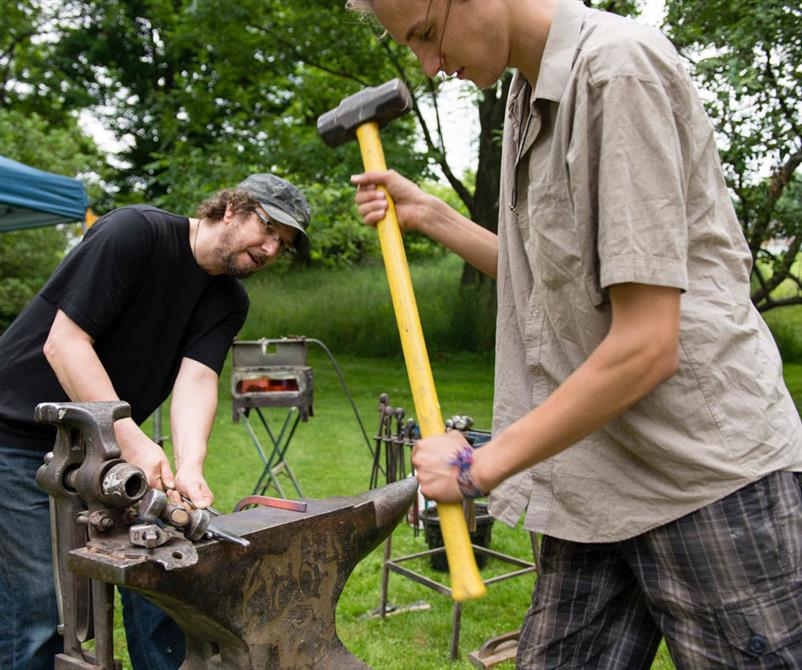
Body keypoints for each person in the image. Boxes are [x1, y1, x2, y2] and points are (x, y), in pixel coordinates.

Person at [347, 1, 802, 667]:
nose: (430, 65)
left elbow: (646, 343)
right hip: (594, 480)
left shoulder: (617, 72)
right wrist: (434, 217)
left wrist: (477, 467)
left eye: (425, 35)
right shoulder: (528, 94)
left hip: (701, 479)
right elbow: (554, 285)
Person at [0, 173, 311, 670]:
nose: (273, 249)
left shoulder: (229, 300)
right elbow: (64, 345)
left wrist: (190, 464)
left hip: (99, 450)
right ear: (231, 208)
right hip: (15, 435)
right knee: (38, 611)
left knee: (158, 569)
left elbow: (197, 380)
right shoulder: (134, 233)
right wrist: (134, 442)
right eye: (269, 228)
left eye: (284, 244)